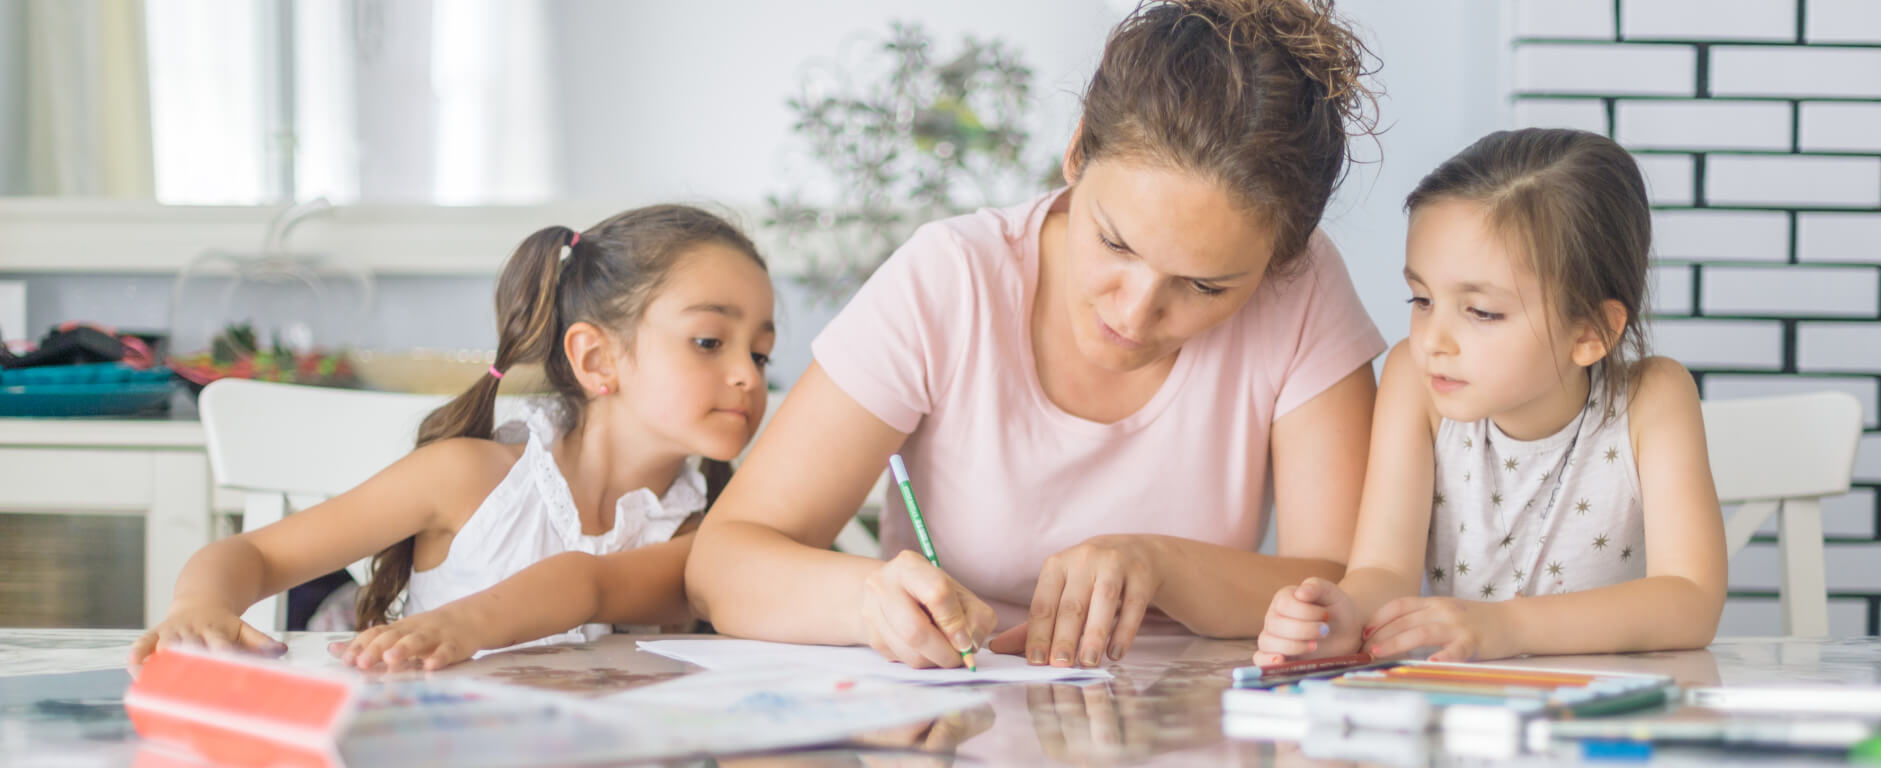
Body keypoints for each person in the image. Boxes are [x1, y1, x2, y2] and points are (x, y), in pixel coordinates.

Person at [690, 0, 1388, 670]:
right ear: (1078, 150)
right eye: (1115, 243)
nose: (1136, 313)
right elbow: (724, 565)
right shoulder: (953, 279)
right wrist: (866, 601)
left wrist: (1160, 564)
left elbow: (1337, 582)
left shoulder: (1304, 290)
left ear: (1280, 261)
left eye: (1205, 287)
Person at [132, 205, 776, 670]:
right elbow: (256, 557)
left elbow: (590, 587)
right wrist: (201, 604)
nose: (747, 375)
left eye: (762, 354)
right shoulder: (469, 477)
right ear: (597, 360)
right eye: (709, 342)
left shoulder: (707, 529)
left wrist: (466, 625)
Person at [1256, 128, 1727, 665]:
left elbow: (1691, 600)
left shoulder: (1652, 401)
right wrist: (1341, 614)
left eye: (1481, 312)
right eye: (1423, 298)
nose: (1433, 340)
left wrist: (1510, 625)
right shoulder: (1414, 382)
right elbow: (1384, 569)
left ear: (1591, 332)